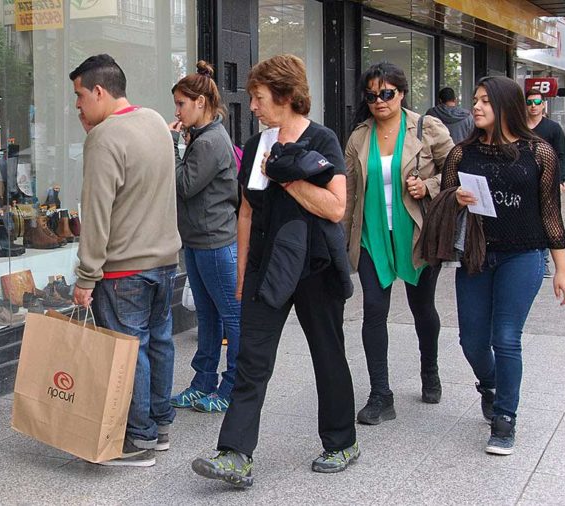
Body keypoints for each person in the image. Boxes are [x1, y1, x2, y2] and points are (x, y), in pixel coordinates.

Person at [191, 54, 358, 488]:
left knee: (327, 354)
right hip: (266, 268)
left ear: (285, 96)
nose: (253, 105)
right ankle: (235, 454)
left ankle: (342, 441)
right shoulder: (256, 144)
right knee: (251, 360)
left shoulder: (322, 141)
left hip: (314, 267)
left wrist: (287, 178)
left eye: (259, 97)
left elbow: (336, 207)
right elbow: (245, 212)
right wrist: (243, 274)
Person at [446, 76, 565, 456]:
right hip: (476, 254)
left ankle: (505, 418)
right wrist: (455, 196)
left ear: (506, 106)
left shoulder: (539, 152)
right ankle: (490, 385)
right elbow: (444, 203)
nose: (477, 107)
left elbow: (551, 213)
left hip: (524, 254)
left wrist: (562, 270)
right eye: (475, 99)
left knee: (505, 337)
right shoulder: (461, 153)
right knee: (471, 340)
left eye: (485, 100)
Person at [69, 54, 182, 467]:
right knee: (159, 343)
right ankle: (160, 423)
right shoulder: (154, 120)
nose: (77, 106)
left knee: (128, 352)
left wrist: (86, 277)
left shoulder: (104, 138)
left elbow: (96, 215)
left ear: (99, 91)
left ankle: (139, 440)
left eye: (80, 96)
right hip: (165, 260)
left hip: (124, 269)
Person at [344, 63, 455, 426]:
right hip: (371, 236)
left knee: (422, 308)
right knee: (374, 310)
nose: (380, 101)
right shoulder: (359, 136)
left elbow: (456, 168)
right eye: (373, 95)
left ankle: (430, 370)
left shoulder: (426, 127)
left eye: (387, 93)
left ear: (402, 93)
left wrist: (430, 186)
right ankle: (381, 394)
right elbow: (347, 191)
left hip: (417, 233)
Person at [167, 61, 240, 414]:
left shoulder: (210, 141)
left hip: (215, 242)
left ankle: (232, 386)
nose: (177, 111)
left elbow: (183, 185)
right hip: (199, 240)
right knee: (209, 317)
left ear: (200, 103)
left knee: (231, 316)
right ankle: (202, 382)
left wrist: (173, 146)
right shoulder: (201, 137)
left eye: (181, 103)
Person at [525, 88, 565, 278]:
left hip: (547, 182)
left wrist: (560, 180)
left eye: (536, 102)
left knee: (547, 219)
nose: (533, 107)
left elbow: (562, 155)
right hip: (524, 182)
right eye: (529, 103)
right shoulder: (519, 127)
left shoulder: (552, 128)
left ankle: (544, 260)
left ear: (543, 105)